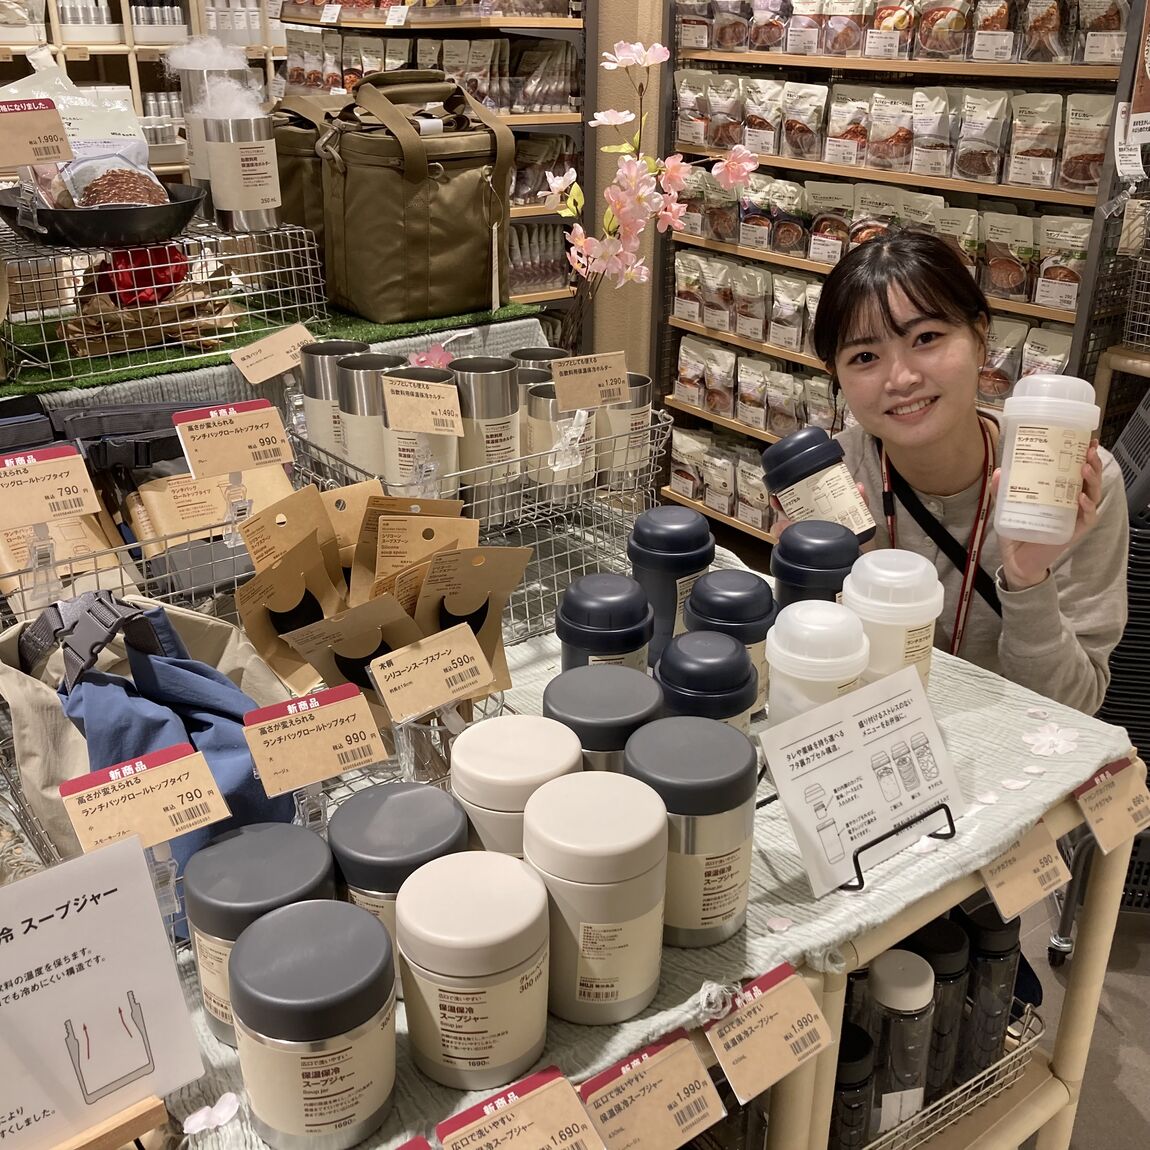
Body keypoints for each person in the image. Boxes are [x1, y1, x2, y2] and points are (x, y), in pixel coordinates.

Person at [796, 230, 1128, 715]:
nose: (901, 378)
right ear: (837, 376)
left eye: (926, 338)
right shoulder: (833, 479)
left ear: (979, 339)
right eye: (864, 357)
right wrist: (811, 581)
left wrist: (1028, 579)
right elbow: (817, 676)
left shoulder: (1064, 483)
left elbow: (1074, 706)